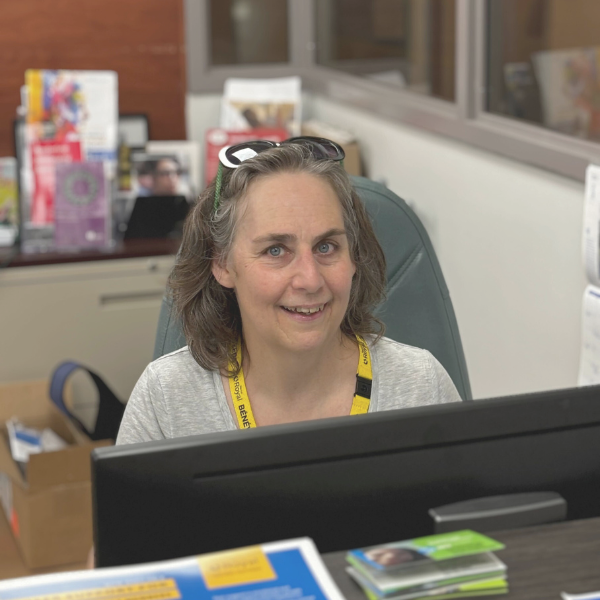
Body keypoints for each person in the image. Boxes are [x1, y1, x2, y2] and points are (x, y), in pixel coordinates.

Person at [116, 137, 461, 445]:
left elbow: (467, 518)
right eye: (276, 250)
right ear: (222, 264)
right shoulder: (165, 401)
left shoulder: (421, 389)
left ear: (355, 256)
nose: (310, 280)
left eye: (326, 247)